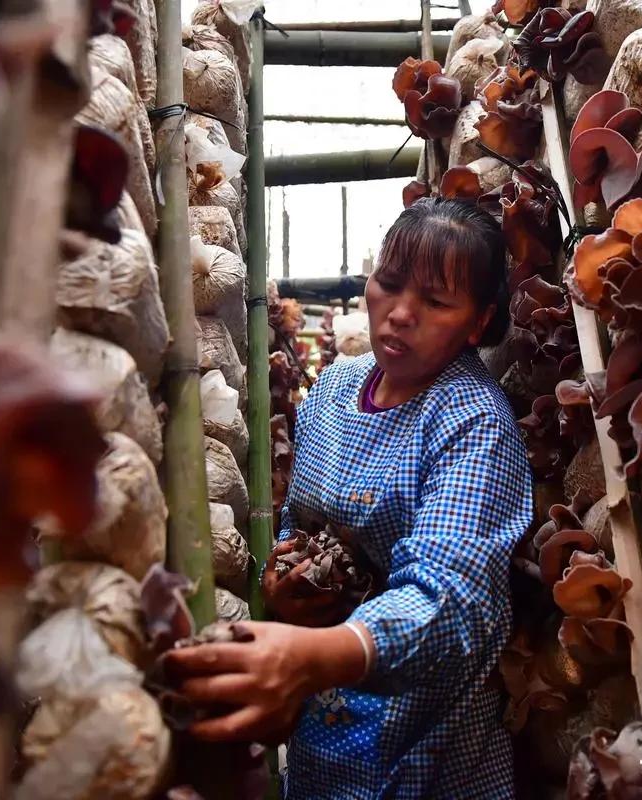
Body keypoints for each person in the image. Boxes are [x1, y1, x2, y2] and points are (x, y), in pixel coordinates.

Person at [163, 198, 535, 798]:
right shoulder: (336, 389)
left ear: (477, 321)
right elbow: (296, 524)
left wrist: (319, 655)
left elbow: (453, 602)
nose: (399, 315)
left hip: (426, 753)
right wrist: (285, 580)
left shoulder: (472, 420)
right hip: (322, 745)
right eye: (388, 284)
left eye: (435, 302)